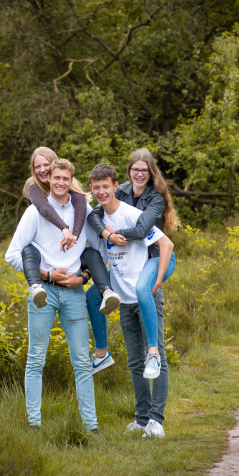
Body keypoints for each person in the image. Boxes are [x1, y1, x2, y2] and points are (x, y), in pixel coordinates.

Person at [5, 158, 100, 431]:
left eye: (65, 179)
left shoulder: (84, 210)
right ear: (49, 179)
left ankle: (91, 426)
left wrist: (83, 277)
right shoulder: (35, 212)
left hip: (74, 293)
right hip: (43, 292)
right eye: (55, 178)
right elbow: (11, 254)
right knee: (36, 358)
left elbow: (96, 251)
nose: (60, 183)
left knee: (82, 361)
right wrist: (46, 275)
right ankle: (34, 424)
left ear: (71, 181)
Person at [88, 163, 175, 438]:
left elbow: (166, 245)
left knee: (155, 356)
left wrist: (157, 281)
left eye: (106, 186)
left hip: (145, 293)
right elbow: (100, 257)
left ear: (117, 187)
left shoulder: (131, 215)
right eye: (96, 187)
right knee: (135, 362)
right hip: (123, 297)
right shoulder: (98, 221)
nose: (102, 192)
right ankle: (141, 419)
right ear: (91, 190)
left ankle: (156, 421)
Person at [20, 148, 121, 375]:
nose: (43, 169)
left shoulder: (74, 193)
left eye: (47, 164)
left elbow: (86, 213)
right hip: (45, 265)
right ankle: (35, 284)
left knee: (93, 263)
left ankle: (107, 298)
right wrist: (46, 274)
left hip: (75, 264)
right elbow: (45, 208)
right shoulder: (34, 189)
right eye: (38, 166)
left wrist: (84, 276)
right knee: (29, 250)